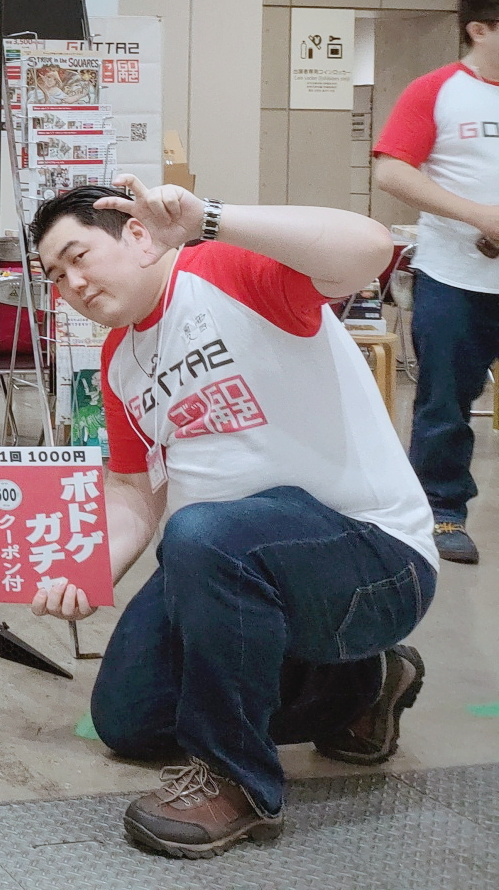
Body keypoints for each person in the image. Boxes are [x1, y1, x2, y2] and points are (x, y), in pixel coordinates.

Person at [29, 178, 437, 859]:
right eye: (55, 276)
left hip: (370, 559)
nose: (72, 284)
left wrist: (211, 219)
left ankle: (237, 780)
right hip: (226, 569)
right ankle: (360, 683)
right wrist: (86, 572)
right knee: (128, 720)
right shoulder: (118, 360)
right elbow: (134, 493)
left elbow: (370, 247)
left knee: (202, 533)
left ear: (137, 235)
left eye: (78, 257)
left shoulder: (224, 270)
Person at [372, 0, 499, 565]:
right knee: (445, 404)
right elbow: (392, 170)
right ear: (480, 29)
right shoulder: (437, 91)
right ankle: (442, 512)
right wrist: (479, 215)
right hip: (456, 279)